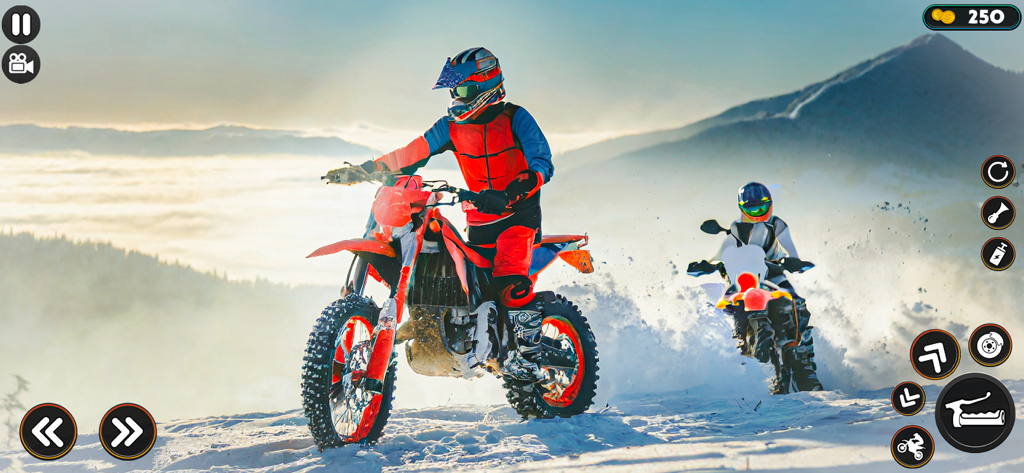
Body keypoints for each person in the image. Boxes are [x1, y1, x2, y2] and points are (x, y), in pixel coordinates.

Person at [330, 47, 553, 382]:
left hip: (517, 219)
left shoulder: (515, 118)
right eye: (454, 91)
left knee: (509, 283)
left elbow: (542, 163)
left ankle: (529, 359)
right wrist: (367, 169)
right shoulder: (450, 127)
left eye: (462, 89)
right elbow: (412, 152)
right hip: (478, 222)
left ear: (485, 86)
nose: (456, 97)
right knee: (444, 266)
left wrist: (511, 192)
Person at [715, 182, 823, 391]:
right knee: (724, 302)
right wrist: (707, 264)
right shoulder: (735, 229)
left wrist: (794, 261)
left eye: (761, 208)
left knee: (797, 303)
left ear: (770, 206)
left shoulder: (777, 225)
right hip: (743, 277)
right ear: (741, 207)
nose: (756, 213)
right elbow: (723, 253)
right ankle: (737, 343)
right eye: (751, 208)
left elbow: (789, 248)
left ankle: (802, 358)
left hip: (772, 274)